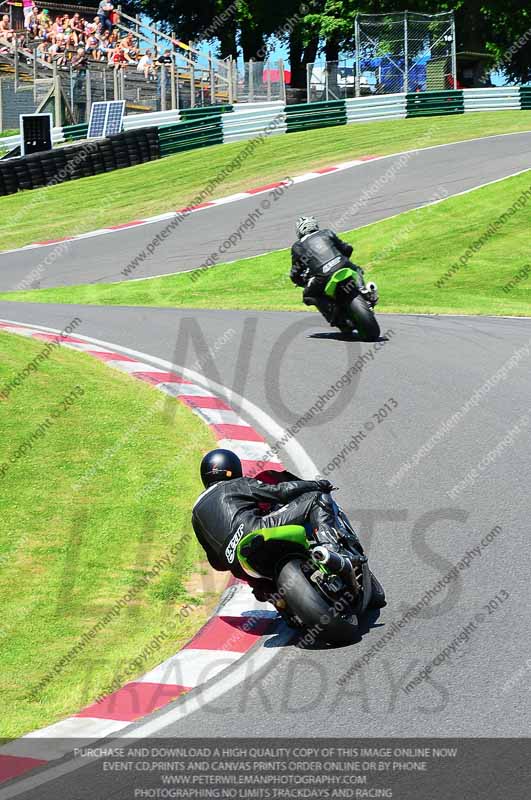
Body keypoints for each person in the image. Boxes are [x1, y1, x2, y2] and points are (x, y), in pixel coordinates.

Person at [191, 449, 357, 599]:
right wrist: (316, 485)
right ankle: (331, 550)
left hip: (239, 565)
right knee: (317, 498)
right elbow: (280, 492)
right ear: (233, 468)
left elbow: (216, 563)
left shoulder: (196, 514)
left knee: (264, 591)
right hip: (258, 530)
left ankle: (282, 602)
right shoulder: (235, 484)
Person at [290, 215, 377, 326]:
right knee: (356, 269)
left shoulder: (297, 246)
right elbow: (347, 248)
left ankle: (332, 312)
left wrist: (299, 281)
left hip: (322, 276)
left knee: (307, 295)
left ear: (299, 231)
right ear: (314, 225)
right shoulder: (327, 233)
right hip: (343, 265)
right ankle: (364, 291)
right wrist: (342, 258)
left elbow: (295, 271)